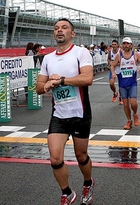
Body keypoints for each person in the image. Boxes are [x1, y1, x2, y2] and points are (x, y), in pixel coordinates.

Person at [36, 18, 95, 205]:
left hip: (79, 113)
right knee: (55, 158)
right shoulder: (47, 58)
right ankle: (67, 193)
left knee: (81, 155)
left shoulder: (81, 53)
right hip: (59, 115)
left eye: (64, 28)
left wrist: (61, 81)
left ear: (72, 33)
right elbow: (38, 88)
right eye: (56, 28)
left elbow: (87, 78)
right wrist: (46, 84)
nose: (59, 31)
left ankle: (88, 183)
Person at [110, 37, 140, 130]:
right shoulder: (119, 56)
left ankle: (135, 114)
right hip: (122, 84)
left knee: (133, 103)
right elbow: (112, 65)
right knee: (126, 104)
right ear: (122, 45)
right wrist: (113, 73)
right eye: (124, 43)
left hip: (133, 83)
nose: (126, 45)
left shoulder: (135, 55)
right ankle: (129, 121)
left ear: (131, 45)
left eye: (128, 43)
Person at [108, 39, 122, 104]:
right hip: (113, 68)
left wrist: (116, 63)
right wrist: (110, 62)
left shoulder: (120, 51)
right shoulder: (110, 51)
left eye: (115, 44)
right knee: (111, 83)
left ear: (118, 45)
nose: (113, 46)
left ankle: (120, 96)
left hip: (120, 68)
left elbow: (123, 60)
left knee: (121, 85)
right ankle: (115, 93)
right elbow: (108, 59)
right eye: (112, 44)